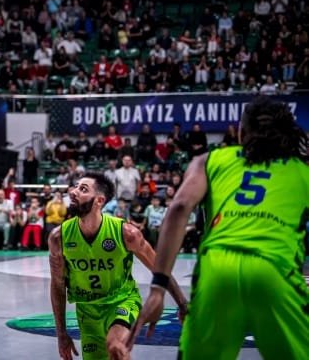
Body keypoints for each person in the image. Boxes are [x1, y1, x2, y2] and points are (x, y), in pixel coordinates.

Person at [130, 96, 309, 359]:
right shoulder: (301, 170)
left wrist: (158, 287)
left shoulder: (210, 160)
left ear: (241, 131)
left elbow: (179, 208)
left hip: (217, 270)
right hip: (276, 272)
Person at [48, 172, 187, 360]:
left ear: (99, 201)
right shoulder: (59, 238)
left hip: (122, 301)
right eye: (75, 186)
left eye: (83, 189)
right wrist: (61, 334)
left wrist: (182, 303)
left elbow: (159, 268)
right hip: (87, 310)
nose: (73, 192)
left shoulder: (126, 233)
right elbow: (58, 285)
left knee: (115, 346)